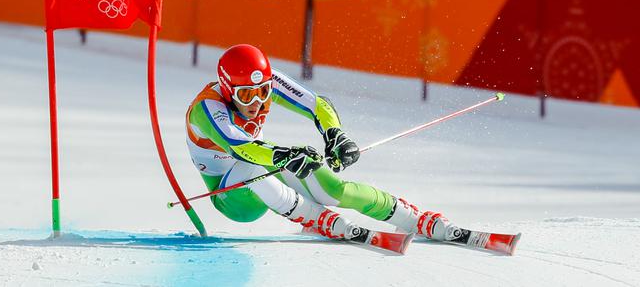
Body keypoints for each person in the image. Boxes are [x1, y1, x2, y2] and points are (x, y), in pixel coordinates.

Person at [185, 44, 461, 241]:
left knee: (332, 189)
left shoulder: (269, 80)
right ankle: (315, 218)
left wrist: (335, 135)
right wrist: (283, 156)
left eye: (263, 93)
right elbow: (240, 148)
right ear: (227, 88)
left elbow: (318, 105)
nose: (256, 103)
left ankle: (413, 218)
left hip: (263, 159)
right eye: (246, 96)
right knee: (254, 170)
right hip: (232, 196)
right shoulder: (208, 107)